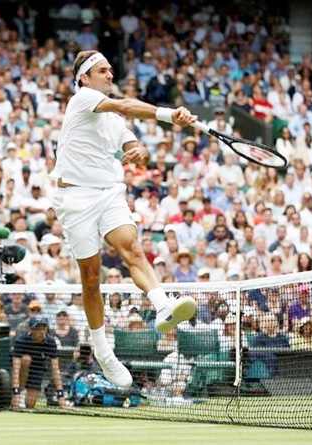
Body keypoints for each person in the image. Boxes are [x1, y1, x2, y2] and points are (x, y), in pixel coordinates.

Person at [48, 50, 197, 388]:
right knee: (90, 276)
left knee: (131, 245)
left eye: (111, 70)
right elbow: (128, 105)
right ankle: (103, 351)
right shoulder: (82, 99)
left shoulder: (112, 119)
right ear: (85, 78)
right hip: (74, 198)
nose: (109, 75)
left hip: (108, 192)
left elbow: (132, 141)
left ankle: (162, 306)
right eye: (102, 71)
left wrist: (139, 150)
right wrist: (168, 113)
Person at [10, 317, 66, 410]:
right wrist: (16, 392)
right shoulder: (21, 341)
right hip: (21, 369)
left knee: (30, 404)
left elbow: (56, 370)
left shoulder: (50, 342)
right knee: (26, 359)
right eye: (38, 328)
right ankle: (21, 391)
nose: (42, 331)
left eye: (44, 328)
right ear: (31, 329)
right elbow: (16, 369)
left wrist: (61, 395)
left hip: (37, 369)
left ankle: (25, 397)